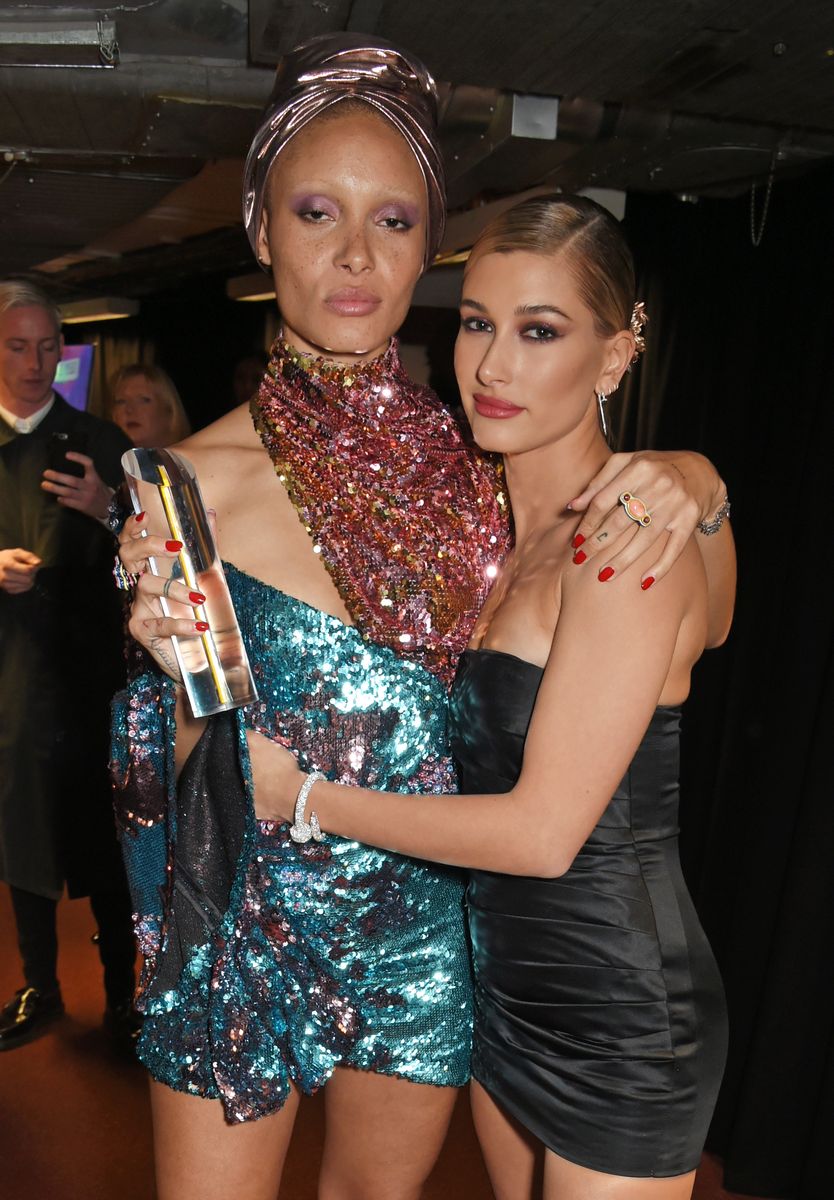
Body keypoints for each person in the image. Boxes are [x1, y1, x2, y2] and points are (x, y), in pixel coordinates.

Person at [113, 35, 732, 1200]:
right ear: (261, 231)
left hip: (426, 931)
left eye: (394, 222)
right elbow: (176, 777)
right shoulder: (175, 488)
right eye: (315, 212)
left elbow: (680, 608)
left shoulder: (480, 457)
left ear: (427, 247)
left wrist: (698, 477)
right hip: (242, 923)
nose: (355, 256)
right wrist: (165, 691)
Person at [251, 194, 736, 1200]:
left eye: (540, 330)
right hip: (509, 994)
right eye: (476, 322)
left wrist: (299, 798)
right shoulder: (503, 535)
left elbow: (545, 835)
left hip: (618, 1021)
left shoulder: (619, 549)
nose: (493, 364)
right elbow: (721, 620)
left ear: (615, 354)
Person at [0, 280, 138, 1050]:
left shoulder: (102, 442)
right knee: (20, 838)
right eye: (17, 346)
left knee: (107, 842)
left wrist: (107, 509)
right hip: (12, 678)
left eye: (47, 347)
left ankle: (123, 994)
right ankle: (39, 989)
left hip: (93, 680)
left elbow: (166, 560)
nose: (34, 362)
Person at [108, 362, 191, 449]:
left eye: (144, 400)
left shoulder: (194, 460)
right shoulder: (100, 460)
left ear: (169, 412)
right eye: (121, 401)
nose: (129, 409)